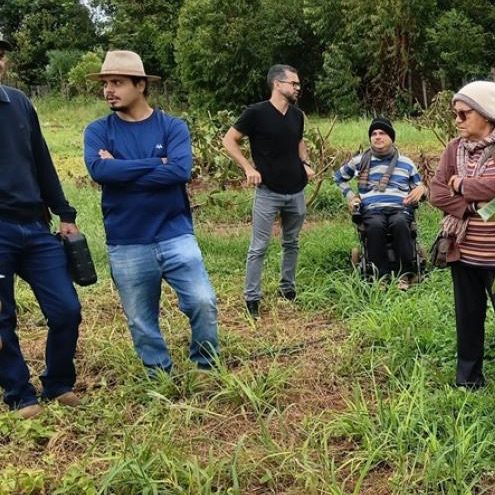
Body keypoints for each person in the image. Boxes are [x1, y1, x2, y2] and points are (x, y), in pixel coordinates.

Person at [84, 50, 220, 376]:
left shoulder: (172, 126)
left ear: (140, 85)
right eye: (105, 84)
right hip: (127, 238)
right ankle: (158, 375)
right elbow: (101, 172)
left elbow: (179, 172)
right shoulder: (98, 130)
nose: (108, 91)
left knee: (203, 301)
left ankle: (205, 367)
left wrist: (122, 168)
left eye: (117, 83)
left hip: (174, 232)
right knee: (141, 318)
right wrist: (153, 164)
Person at [0, 32, 83, 419]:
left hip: (34, 225)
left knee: (66, 309)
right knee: (2, 318)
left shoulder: (18, 102)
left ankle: (59, 383)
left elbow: (43, 162)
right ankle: (20, 394)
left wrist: (65, 213)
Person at [428, 81, 495, 390]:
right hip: (464, 252)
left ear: (485, 114)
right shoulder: (453, 149)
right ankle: (469, 379)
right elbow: (435, 192)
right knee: (468, 319)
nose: (457, 121)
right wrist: (477, 205)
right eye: (455, 114)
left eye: (463, 114)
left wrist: (461, 187)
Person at [222, 64, 315, 318]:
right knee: (259, 246)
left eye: (298, 84)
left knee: (292, 242)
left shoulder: (297, 115)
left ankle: (288, 289)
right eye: (293, 84)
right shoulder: (256, 113)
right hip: (268, 191)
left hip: (296, 189)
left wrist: (306, 164)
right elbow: (229, 140)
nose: (297, 88)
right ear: (277, 84)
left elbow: (299, 141)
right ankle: (252, 298)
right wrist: (248, 168)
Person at [332, 117, 426, 288]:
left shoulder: (406, 163)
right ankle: (380, 276)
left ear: (391, 137)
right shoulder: (360, 161)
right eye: (374, 134)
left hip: (400, 208)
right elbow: (337, 178)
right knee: (375, 226)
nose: (377, 137)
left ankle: (405, 275)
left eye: (382, 133)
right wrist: (351, 196)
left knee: (399, 223)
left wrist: (422, 189)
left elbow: (418, 187)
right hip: (372, 209)